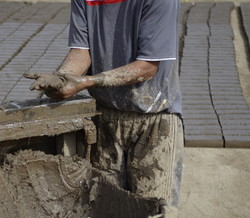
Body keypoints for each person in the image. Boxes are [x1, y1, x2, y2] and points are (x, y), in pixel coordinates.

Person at [25, 0, 183, 207]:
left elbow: (147, 67)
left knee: (153, 213)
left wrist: (88, 81)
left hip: (153, 121)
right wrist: (63, 78)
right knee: (106, 210)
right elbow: (82, 51)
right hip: (105, 118)